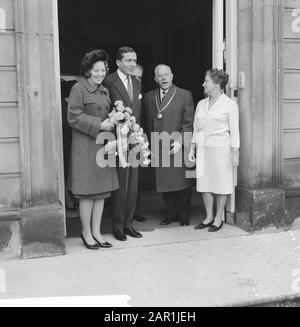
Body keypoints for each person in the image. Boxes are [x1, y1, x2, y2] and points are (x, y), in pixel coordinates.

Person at [68, 50, 119, 250]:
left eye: (103, 70)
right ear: (88, 71)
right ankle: (86, 233)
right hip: (86, 148)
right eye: (96, 70)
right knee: (87, 193)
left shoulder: (104, 90)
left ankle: (97, 232)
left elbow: (109, 115)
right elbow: (73, 117)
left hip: (103, 145)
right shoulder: (78, 89)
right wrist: (100, 124)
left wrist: (115, 120)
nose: (100, 74)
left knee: (101, 193)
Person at [189, 69, 240, 232]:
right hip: (203, 150)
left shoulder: (230, 104)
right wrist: (192, 147)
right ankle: (208, 216)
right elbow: (196, 128)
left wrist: (235, 151)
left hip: (221, 150)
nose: (203, 84)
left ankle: (219, 218)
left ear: (217, 84)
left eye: (206, 81)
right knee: (204, 184)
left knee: (221, 183)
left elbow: (235, 130)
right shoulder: (201, 104)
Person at [144, 64, 195, 226]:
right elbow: (146, 122)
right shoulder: (149, 97)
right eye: (160, 76)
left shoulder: (184, 95)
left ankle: (184, 215)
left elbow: (189, 122)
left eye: (167, 75)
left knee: (181, 183)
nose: (164, 78)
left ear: (172, 76)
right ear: (155, 79)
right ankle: (171, 214)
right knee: (165, 182)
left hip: (177, 144)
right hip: (159, 145)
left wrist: (181, 140)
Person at [103, 47, 143, 241]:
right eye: (128, 60)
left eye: (134, 60)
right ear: (118, 62)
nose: (133, 64)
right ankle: (117, 225)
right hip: (117, 141)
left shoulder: (136, 82)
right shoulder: (109, 80)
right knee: (120, 184)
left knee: (133, 185)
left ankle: (129, 224)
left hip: (134, 140)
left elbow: (138, 112)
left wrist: (138, 134)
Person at [131, 64, 148, 223]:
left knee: (138, 178)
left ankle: (136, 211)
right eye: (134, 76)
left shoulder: (143, 95)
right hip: (125, 140)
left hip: (140, 139)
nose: (137, 80)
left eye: (140, 77)